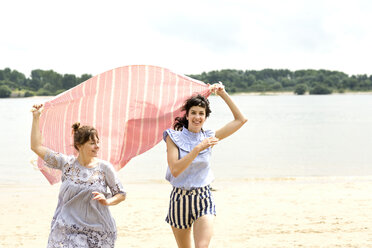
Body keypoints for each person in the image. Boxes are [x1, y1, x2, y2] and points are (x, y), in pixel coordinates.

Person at [163, 83, 247, 248]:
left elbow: (241, 119)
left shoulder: (210, 137)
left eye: (201, 114)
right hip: (179, 199)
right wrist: (198, 148)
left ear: (205, 117)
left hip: (203, 197)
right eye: (193, 113)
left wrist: (223, 93)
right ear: (187, 115)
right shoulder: (172, 137)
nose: (197, 117)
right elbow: (175, 170)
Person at [31, 104, 126, 248]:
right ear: (79, 145)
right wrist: (36, 118)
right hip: (68, 230)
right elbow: (36, 147)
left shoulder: (105, 168)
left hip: (99, 230)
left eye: (98, 142)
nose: (97, 146)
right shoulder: (66, 163)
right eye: (92, 143)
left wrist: (107, 201)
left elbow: (121, 194)